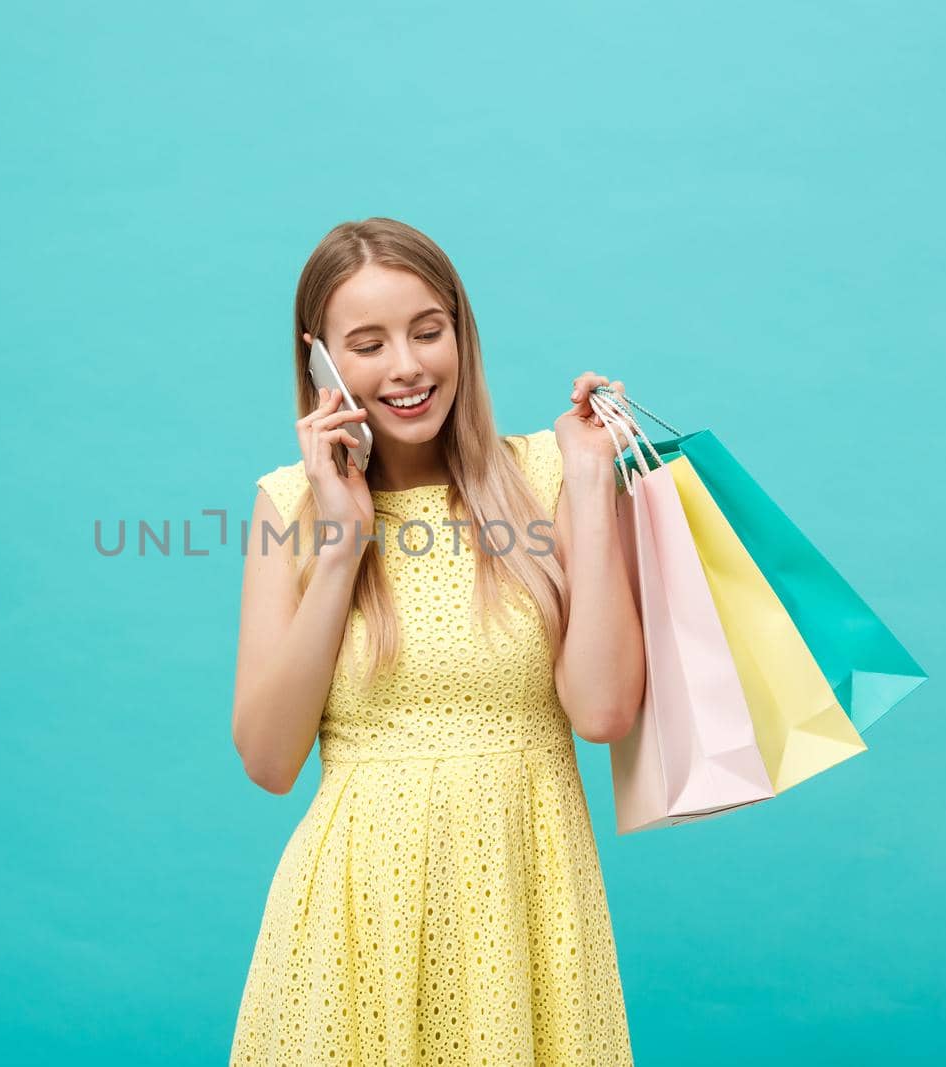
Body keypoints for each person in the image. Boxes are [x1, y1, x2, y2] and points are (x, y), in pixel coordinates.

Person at [229, 217, 643, 1065]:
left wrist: (595, 481)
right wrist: (342, 541)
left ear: (462, 330)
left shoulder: (552, 476)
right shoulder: (288, 508)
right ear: (320, 363)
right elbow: (271, 762)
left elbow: (602, 710)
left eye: (427, 330)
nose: (408, 366)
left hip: (527, 918)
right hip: (352, 928)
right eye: (368, 344)